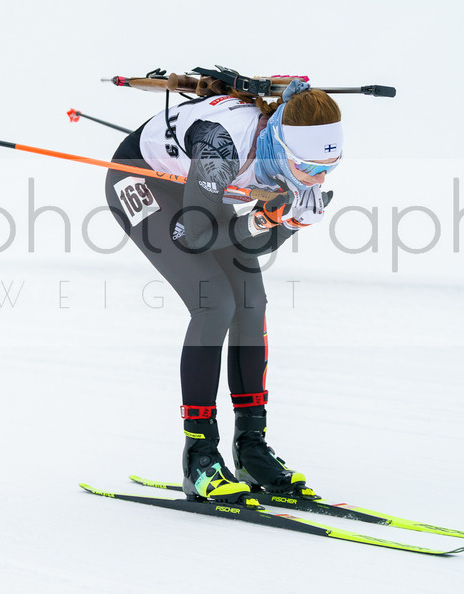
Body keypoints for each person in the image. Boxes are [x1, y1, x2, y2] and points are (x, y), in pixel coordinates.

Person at [104, 78, 343, 504]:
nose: (318, 178)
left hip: (200, 188)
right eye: (309, 168)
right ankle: (199, 457)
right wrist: (264, 220)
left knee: (250, 302)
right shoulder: (221, 148)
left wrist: (288, 225)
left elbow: (250, 246)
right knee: (214, 302)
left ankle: (251, 448)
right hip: (141, 179)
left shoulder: (288, 159)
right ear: (280, 145)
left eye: (329, 167)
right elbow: (195, 236)